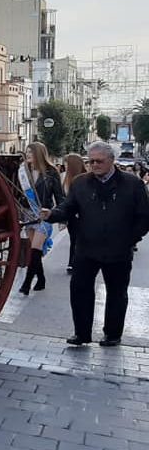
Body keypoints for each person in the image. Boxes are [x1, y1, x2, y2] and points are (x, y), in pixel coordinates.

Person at [41, 141, 149, 346]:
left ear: (111, 161)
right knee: (80, 290)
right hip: (86, 248)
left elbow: (144, 217)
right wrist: (52, 215)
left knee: (117, 293)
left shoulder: (132, 184)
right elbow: (67, 208)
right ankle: (81, 334)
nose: (94, 165)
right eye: (91, 161)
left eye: (99, 161)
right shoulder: (80, 183)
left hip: (118, 251)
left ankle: (112, 334)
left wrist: (129, 239)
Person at [19, 142, 64, 294]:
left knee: (36, 249)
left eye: (31, 152)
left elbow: (59, 196)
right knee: (34, 251)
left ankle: (26, 284)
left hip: (43, 214)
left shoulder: (52, 172)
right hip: (28, 214)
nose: (28, 155)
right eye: (27, 152)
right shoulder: (23, 171)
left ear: (39, 153)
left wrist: (61, 217)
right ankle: (41, 279)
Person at [63, 153, 86, 274]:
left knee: (78, 239)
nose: (64, 166)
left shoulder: (84, 179)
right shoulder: (66, 178)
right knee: (74, 239)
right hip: (72, 215)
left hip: (82, 215)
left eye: (67, 164)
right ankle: (72, 262)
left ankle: (73, 262)